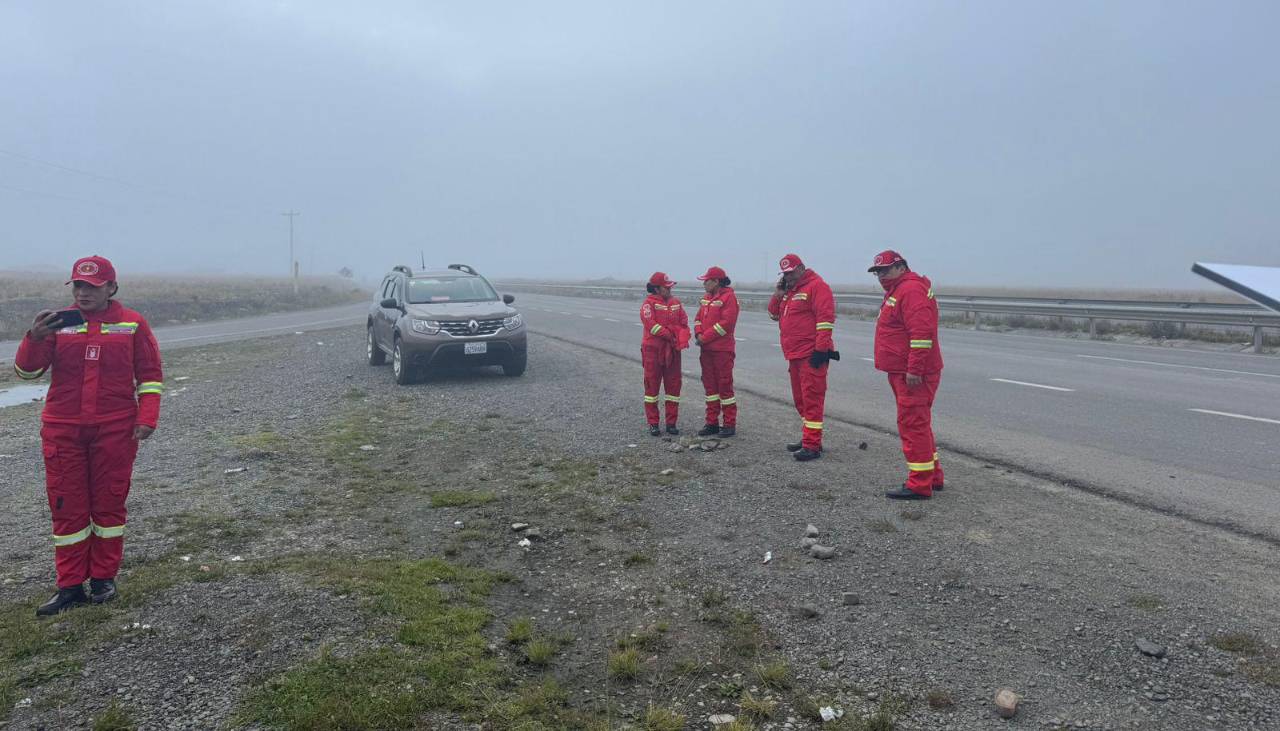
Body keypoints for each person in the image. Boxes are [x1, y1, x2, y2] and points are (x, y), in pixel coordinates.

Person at [13, 255, 164, 616]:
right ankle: (69, 587)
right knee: (67, 507)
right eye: (78, 285)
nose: (83, 293)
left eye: (92, 287)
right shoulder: (58, 325)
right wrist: (34, 338)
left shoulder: (132, 324)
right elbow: (27, 373)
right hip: (63, 430)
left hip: (115, 429)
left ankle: (102, 580)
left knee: (108, 504)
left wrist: (147, 417)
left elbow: (150, 374)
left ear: (111, 288)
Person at [868, 250, 944, 500]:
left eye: (886, 270)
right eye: (878, 272)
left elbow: (921, 334)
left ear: (901, 267)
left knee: (912, 424)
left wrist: (914, 369)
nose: (881, 276)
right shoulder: (899, 290)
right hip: (903, 371)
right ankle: (932, 477)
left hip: (912, 374)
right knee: (919, 423)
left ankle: (919, 484)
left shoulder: (910, 290)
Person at [767, 254, 838, 461]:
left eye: (791, 273)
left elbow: (825, 320)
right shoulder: (790, 292)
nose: (788, 277)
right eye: (785, 274)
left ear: (801, 269)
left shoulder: (817, 287)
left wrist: (820, 350)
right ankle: (810, 437)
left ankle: (812, 445)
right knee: (801, 400)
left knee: (812, 400)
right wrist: (779, 294)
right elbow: (773, 314)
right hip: (794, 354)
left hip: (811, 354)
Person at [639, 272, 688, 436]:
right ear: (657, 289)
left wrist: (679, 335)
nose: (670, 289)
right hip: (653, 351)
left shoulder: (676, 303)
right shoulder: (648, 304)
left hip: (673, 351)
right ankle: (653, 423)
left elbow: (683, 322)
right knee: (651, 388)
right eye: (666, 287)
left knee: (674, 387)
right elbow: (650, 324)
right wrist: (669, 334)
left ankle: (671, 423)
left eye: (670, 286)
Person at [693, 266, 739, 437]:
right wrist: (698, 332)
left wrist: (705, 337)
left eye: (707, 281)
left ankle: (729, 424)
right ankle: (711, 422)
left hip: (722, 351)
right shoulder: (706, 298)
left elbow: (726, 324)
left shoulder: (729, 298)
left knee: (724, 386)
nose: (704, 284)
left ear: (716, 281)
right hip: (707, 351)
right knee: (710, 387)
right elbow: (697, 318)